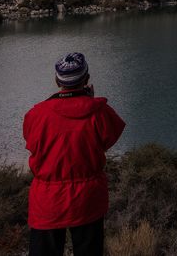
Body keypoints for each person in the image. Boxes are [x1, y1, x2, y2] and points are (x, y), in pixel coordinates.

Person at [23, 52, 126, 256]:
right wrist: (89, 101)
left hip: (47, 200)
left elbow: (31, 143)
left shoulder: (36, 114)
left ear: (57, 81)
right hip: (87, 198)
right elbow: (108, 140)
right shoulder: (100, 112)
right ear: (87, 79)